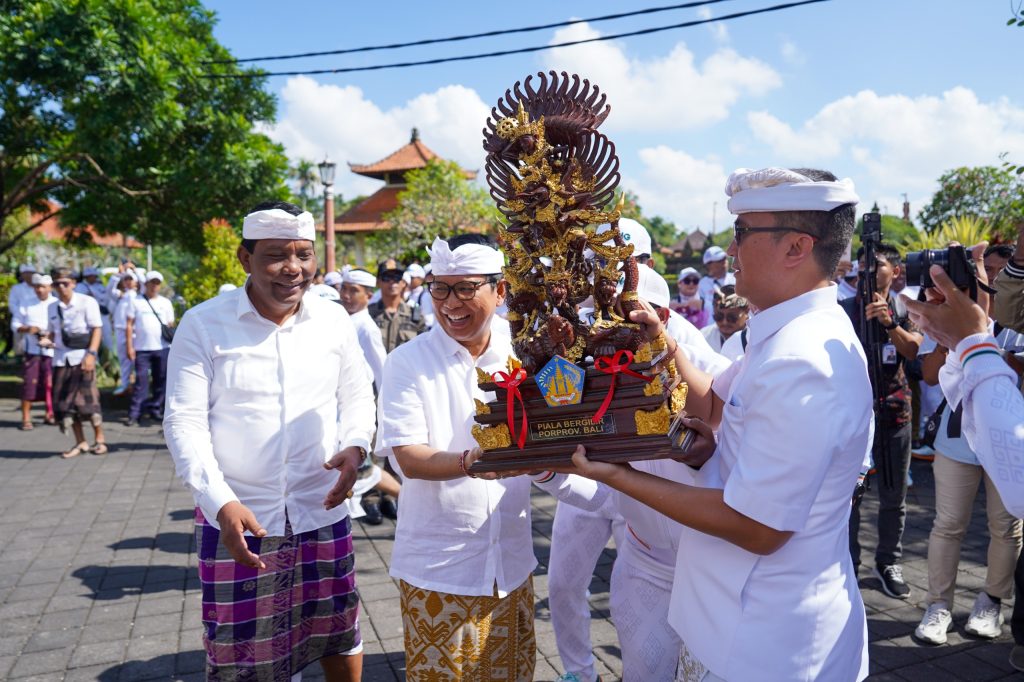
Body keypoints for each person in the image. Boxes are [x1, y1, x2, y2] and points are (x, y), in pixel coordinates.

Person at [567, 167, 870, 681]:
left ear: (796, 247)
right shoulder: (785, 333)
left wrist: (618, 475)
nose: (730, 252)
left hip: (766, 644)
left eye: (743, 233)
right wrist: (661, 343)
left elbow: (758, 527)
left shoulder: (804, 361)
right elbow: (712, 405)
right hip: (732, 620)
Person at [164, 200, 376, 681]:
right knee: (243, 655)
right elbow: (183, 422)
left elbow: (358, 395)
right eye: (277, 255)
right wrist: (220, 502)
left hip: (321, 507)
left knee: (338, 631)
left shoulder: (333, 320)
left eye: (304, 254)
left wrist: (356, 446)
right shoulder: (203, 324)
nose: (293, 268)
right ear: (245, 258)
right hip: (241, 517)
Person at [377, 234, 601, 681]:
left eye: (465, 288)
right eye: (440, 288)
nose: (450, 303)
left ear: (500, 291)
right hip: (440, 569)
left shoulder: (528, 352)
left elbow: (564, 430)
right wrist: (476, 461)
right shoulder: (407, 362)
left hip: (511, 566)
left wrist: (544, 463)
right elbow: (409, 459)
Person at [913, 323, 1022, 645]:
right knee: (947, 524)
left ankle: (992, 601)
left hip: (1008, 442)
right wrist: (947, 341)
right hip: (956, 438)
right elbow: (929, 376)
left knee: (1006, 527)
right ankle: (937, 605)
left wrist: (994, 356)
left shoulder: (1017, 324)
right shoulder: (949, 315)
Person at [841, 243, 922, 599]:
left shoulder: (906, 308)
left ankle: (888, 561)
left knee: (893, 496)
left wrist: (889, 323)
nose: (867, 270)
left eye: (876, 264)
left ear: (896, 271)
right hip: (852, 417)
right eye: (862, 265)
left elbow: (913, 350)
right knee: (849, 495)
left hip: (894, 413)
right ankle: (848, 563)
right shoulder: (843, 310)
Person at [339, 267, 401, 525]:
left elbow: (382, 371)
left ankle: (397, 499)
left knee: (368, 462)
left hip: (363, 404)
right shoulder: (342, 319)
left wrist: (385, 409)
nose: (346, 295)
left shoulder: (365, 327)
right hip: (341, 404)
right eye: (344, 288)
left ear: (368, 295)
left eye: (354, 291)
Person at [46, 267, 107, 458]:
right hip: (60, 359)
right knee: (66, 404)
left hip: (83, 357)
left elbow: (97, 329)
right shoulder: (52, 307)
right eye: (57, 284)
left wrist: (91, 354)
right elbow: (51, 332)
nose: (61, 287)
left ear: (73, 283)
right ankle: (81, 442)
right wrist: (45, 339)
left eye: (65, 283)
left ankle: (100, 440)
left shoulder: (87, 302)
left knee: (88, 401)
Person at [125, 271, 175, 426]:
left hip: (162, 347)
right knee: (141, 381)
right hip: (141, 348)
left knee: (161, 380)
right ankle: (135, 413)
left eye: (157, 283)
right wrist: (129, 346)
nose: (154, 286)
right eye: (152, 282)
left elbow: (170, 324)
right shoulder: (136, 301)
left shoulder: (165, 303)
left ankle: (155, 410)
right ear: (145, 284)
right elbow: (129, 325)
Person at [12, 273, 56, 429]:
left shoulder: (56, 304)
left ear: (50, 288)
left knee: (50, 383)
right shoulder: (26, 303)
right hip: (32, 350)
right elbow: (15, 324)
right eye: (37, 287)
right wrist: (28, 329)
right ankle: (26, 417)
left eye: (43, 287)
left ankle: (50, 413)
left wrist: (48, 335)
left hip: (52, 351)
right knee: (29, 384)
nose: (40, 290)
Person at [368, 258, 426, 353]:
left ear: (403, 283)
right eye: (386, 277)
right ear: (378, 282)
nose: (392, 281)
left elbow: (423, 349)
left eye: (397, 277)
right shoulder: (368, 314)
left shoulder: (415, 315)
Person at [110, 270, 140, 396]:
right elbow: (110, 290)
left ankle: (136, 385)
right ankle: (125, 384)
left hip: (133, 331)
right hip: (120, 329)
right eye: (126, 279)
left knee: (136, 359)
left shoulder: (139, 295)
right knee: (123, 359)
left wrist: (135, 270)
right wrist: (118, 275)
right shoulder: (121, 295)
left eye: (130, 279)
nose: (128, 282)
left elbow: (144, 282)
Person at [699, 288, 750, 353]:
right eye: (719, 317)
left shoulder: (754, 338)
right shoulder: (703, 336)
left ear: (747, 312)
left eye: (731, 318)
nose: (724, 322)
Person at [76, 266, 113, 351]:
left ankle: (109, 356)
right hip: (88, 315)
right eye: (92, 276)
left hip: (103, 314)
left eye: (94, 275)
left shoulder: (100, 285)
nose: (94, 277)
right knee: (92, 338)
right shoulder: (80, 286)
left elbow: (106, 298)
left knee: (107, 337)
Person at [697, 245, 735, 312]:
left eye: (725, 258)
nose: (724, 262)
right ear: (708, 264)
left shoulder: (736, 278)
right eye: (719, 260)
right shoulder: (701, 284)